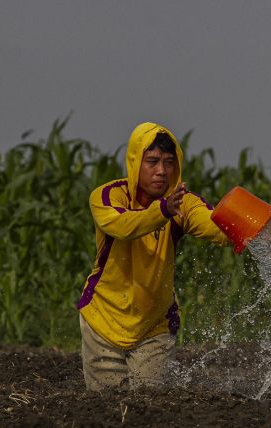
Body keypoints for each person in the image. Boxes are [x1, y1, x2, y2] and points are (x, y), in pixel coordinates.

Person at [77, 122, 229, 390]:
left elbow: (215, 226)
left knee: (149, 403)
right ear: (136, 162)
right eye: (153, 161)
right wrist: (163, 211)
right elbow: (123, 226)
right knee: (105, 409)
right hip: (103, 320)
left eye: (169, 162)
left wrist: (250, 230)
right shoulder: (107, 196)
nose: (162, 171)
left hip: (154, 325)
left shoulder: (182, 203)